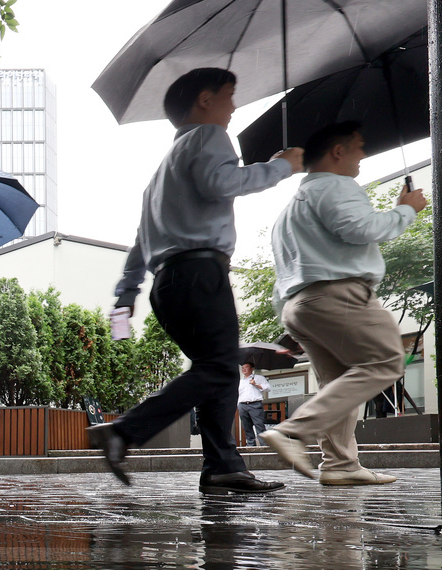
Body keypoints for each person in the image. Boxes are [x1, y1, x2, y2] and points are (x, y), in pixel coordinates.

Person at [88, 68, 303, 493]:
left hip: (167, 285)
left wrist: (126, 295)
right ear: (204, 100)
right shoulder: (208, 137)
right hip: (201, 274)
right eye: (229, 95)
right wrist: (281, 166)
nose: (234, 105)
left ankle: (223, 464)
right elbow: (221, 181)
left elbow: (138, 246)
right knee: (220, 368)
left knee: (216, 372)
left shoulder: (157, 179)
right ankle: (125, 431)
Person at [260, 121, 428, 486]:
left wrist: (291, 327)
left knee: (337, 382)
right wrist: (406, 209)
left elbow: (284, 274)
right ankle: (292, 432)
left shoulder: (289, 212)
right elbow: (361, 228)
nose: (363, 155)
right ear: (338, 151)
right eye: (359, 146)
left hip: (300, 305)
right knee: (385, 360)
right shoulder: (336, 186)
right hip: (339, 294)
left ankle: (340, 465)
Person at [236, 362, 270, 445]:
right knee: (246, 426)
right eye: (243, 368)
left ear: (252, 369)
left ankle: (264, 444)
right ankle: (250, 444)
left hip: (255, 404)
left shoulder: (258, 378)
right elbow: (238, 394)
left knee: (259, 425)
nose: (244, 369)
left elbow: (268, 388)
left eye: (246, 367)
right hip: (242, 404)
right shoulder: (240, 381)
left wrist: (256, 384)